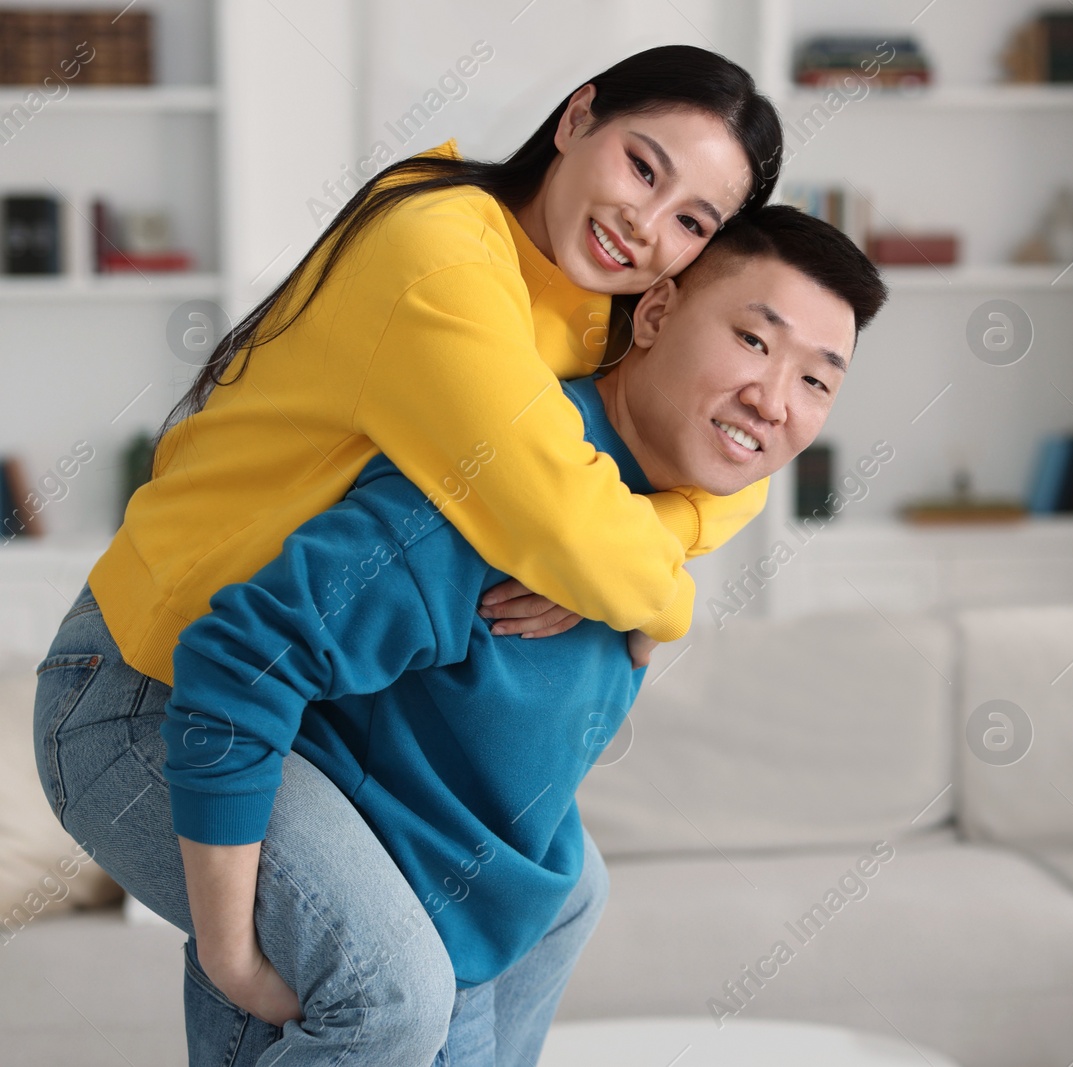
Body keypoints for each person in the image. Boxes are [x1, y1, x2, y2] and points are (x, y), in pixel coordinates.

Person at [34, 45, 786, 1065]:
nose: (647, 227)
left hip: (309, 711)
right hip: (151, 683)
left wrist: (637, 546)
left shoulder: (597, 296)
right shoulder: (438, 253)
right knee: (392, 990)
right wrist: (658, 598)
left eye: (692, 221)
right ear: (577, 119)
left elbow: (736, 462)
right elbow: (561, 522)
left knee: (559, 894)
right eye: (642, 167)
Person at [157, 206, 885, 1063]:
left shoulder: (650, 522)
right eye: (755, 342)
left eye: (817, 382)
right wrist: (230, 949)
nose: (773, 401)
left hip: (476, 925)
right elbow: (241, 657)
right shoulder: (501, 490)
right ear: (653, 313)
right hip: (382, 946)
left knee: (579, 886)